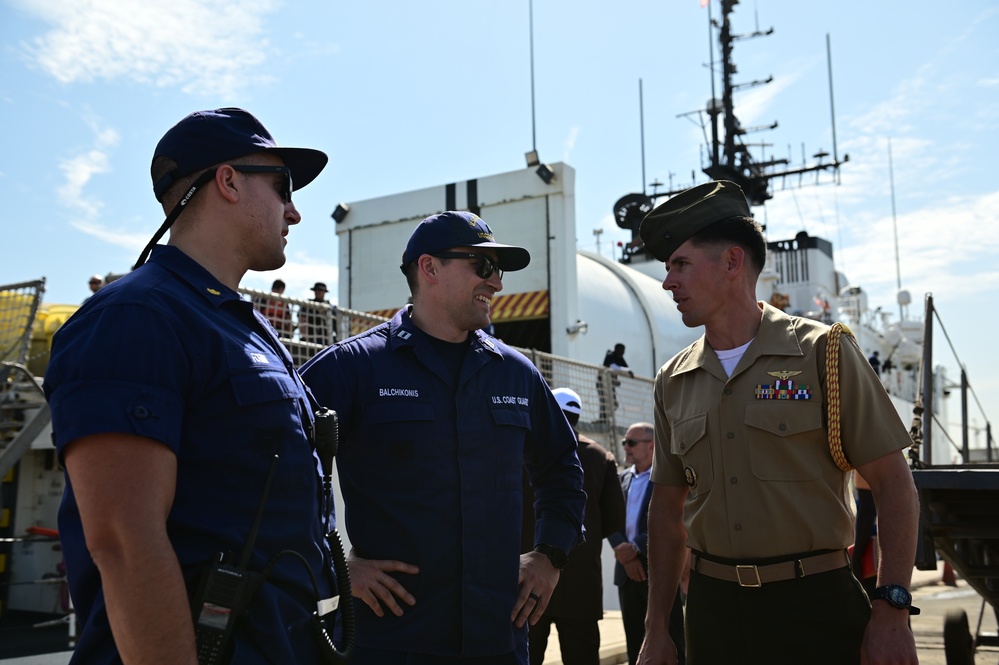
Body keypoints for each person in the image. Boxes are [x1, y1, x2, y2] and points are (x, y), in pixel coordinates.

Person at [43, 107, 339, 663]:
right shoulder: (134, 317)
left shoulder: (243, 327)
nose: (294, 212)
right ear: (227, 181)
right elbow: (125, 543)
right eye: (282, 187)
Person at [635, 180, 920, 665]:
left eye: (679, 264)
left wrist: (892, 608)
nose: (668, 282)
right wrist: (657, 627)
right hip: (713, 612)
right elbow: (666, 511)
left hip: (815, 607)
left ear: (731, 262)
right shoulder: (673, 380)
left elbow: (894, 484)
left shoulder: (824, 352)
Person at [300, 210, 586, 664]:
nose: (497, 283)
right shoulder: (352, 367)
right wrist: (329, 562)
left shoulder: (516, 374)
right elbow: (271, 469)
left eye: (500, 270)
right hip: (390, 644)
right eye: (483, 266)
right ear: (429, 268)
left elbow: (562, 469)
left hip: (498, 642)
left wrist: (550, 554)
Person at [523, 388, 625, 665]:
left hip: (528, 580)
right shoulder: (601, 457)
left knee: (525, 656)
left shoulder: (524, 450)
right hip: (583, 581)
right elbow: (615, 518)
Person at [608, 422, 687, 665]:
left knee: (671, 639)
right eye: (624, 442)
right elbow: (610, 517)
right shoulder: (622, 479)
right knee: (635, 641)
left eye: (632, 442)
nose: (626, 447)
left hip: (660, 571)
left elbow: (674, 517)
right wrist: (622, 550)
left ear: (652, 445)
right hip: (626, 573)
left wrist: (635, 549)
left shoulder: (668, 481)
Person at [301, 280, 334, 344]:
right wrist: (306, 337)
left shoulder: (329, 307)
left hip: (325, 340)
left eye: (320, 290)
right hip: (310, 338)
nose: (317, 292)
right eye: (316, 290)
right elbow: (302, 321)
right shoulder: (308, 304)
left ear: (324, 292)